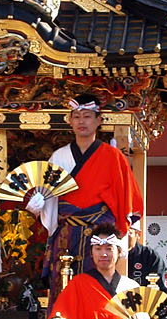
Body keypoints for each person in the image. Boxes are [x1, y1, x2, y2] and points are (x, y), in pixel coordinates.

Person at [32, 94, 143, 305]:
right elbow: (48, 197)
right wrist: (38, 205)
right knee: (63, 287)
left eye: (87, 116)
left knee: (99, 287)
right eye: (76, 116)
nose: (82, 121)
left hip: (99, 232)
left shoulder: (113, 156)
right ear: (70, 121)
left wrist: (128, 231)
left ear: (98, 120)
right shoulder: (58, 157)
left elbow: (128, 196)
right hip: (67, 232)